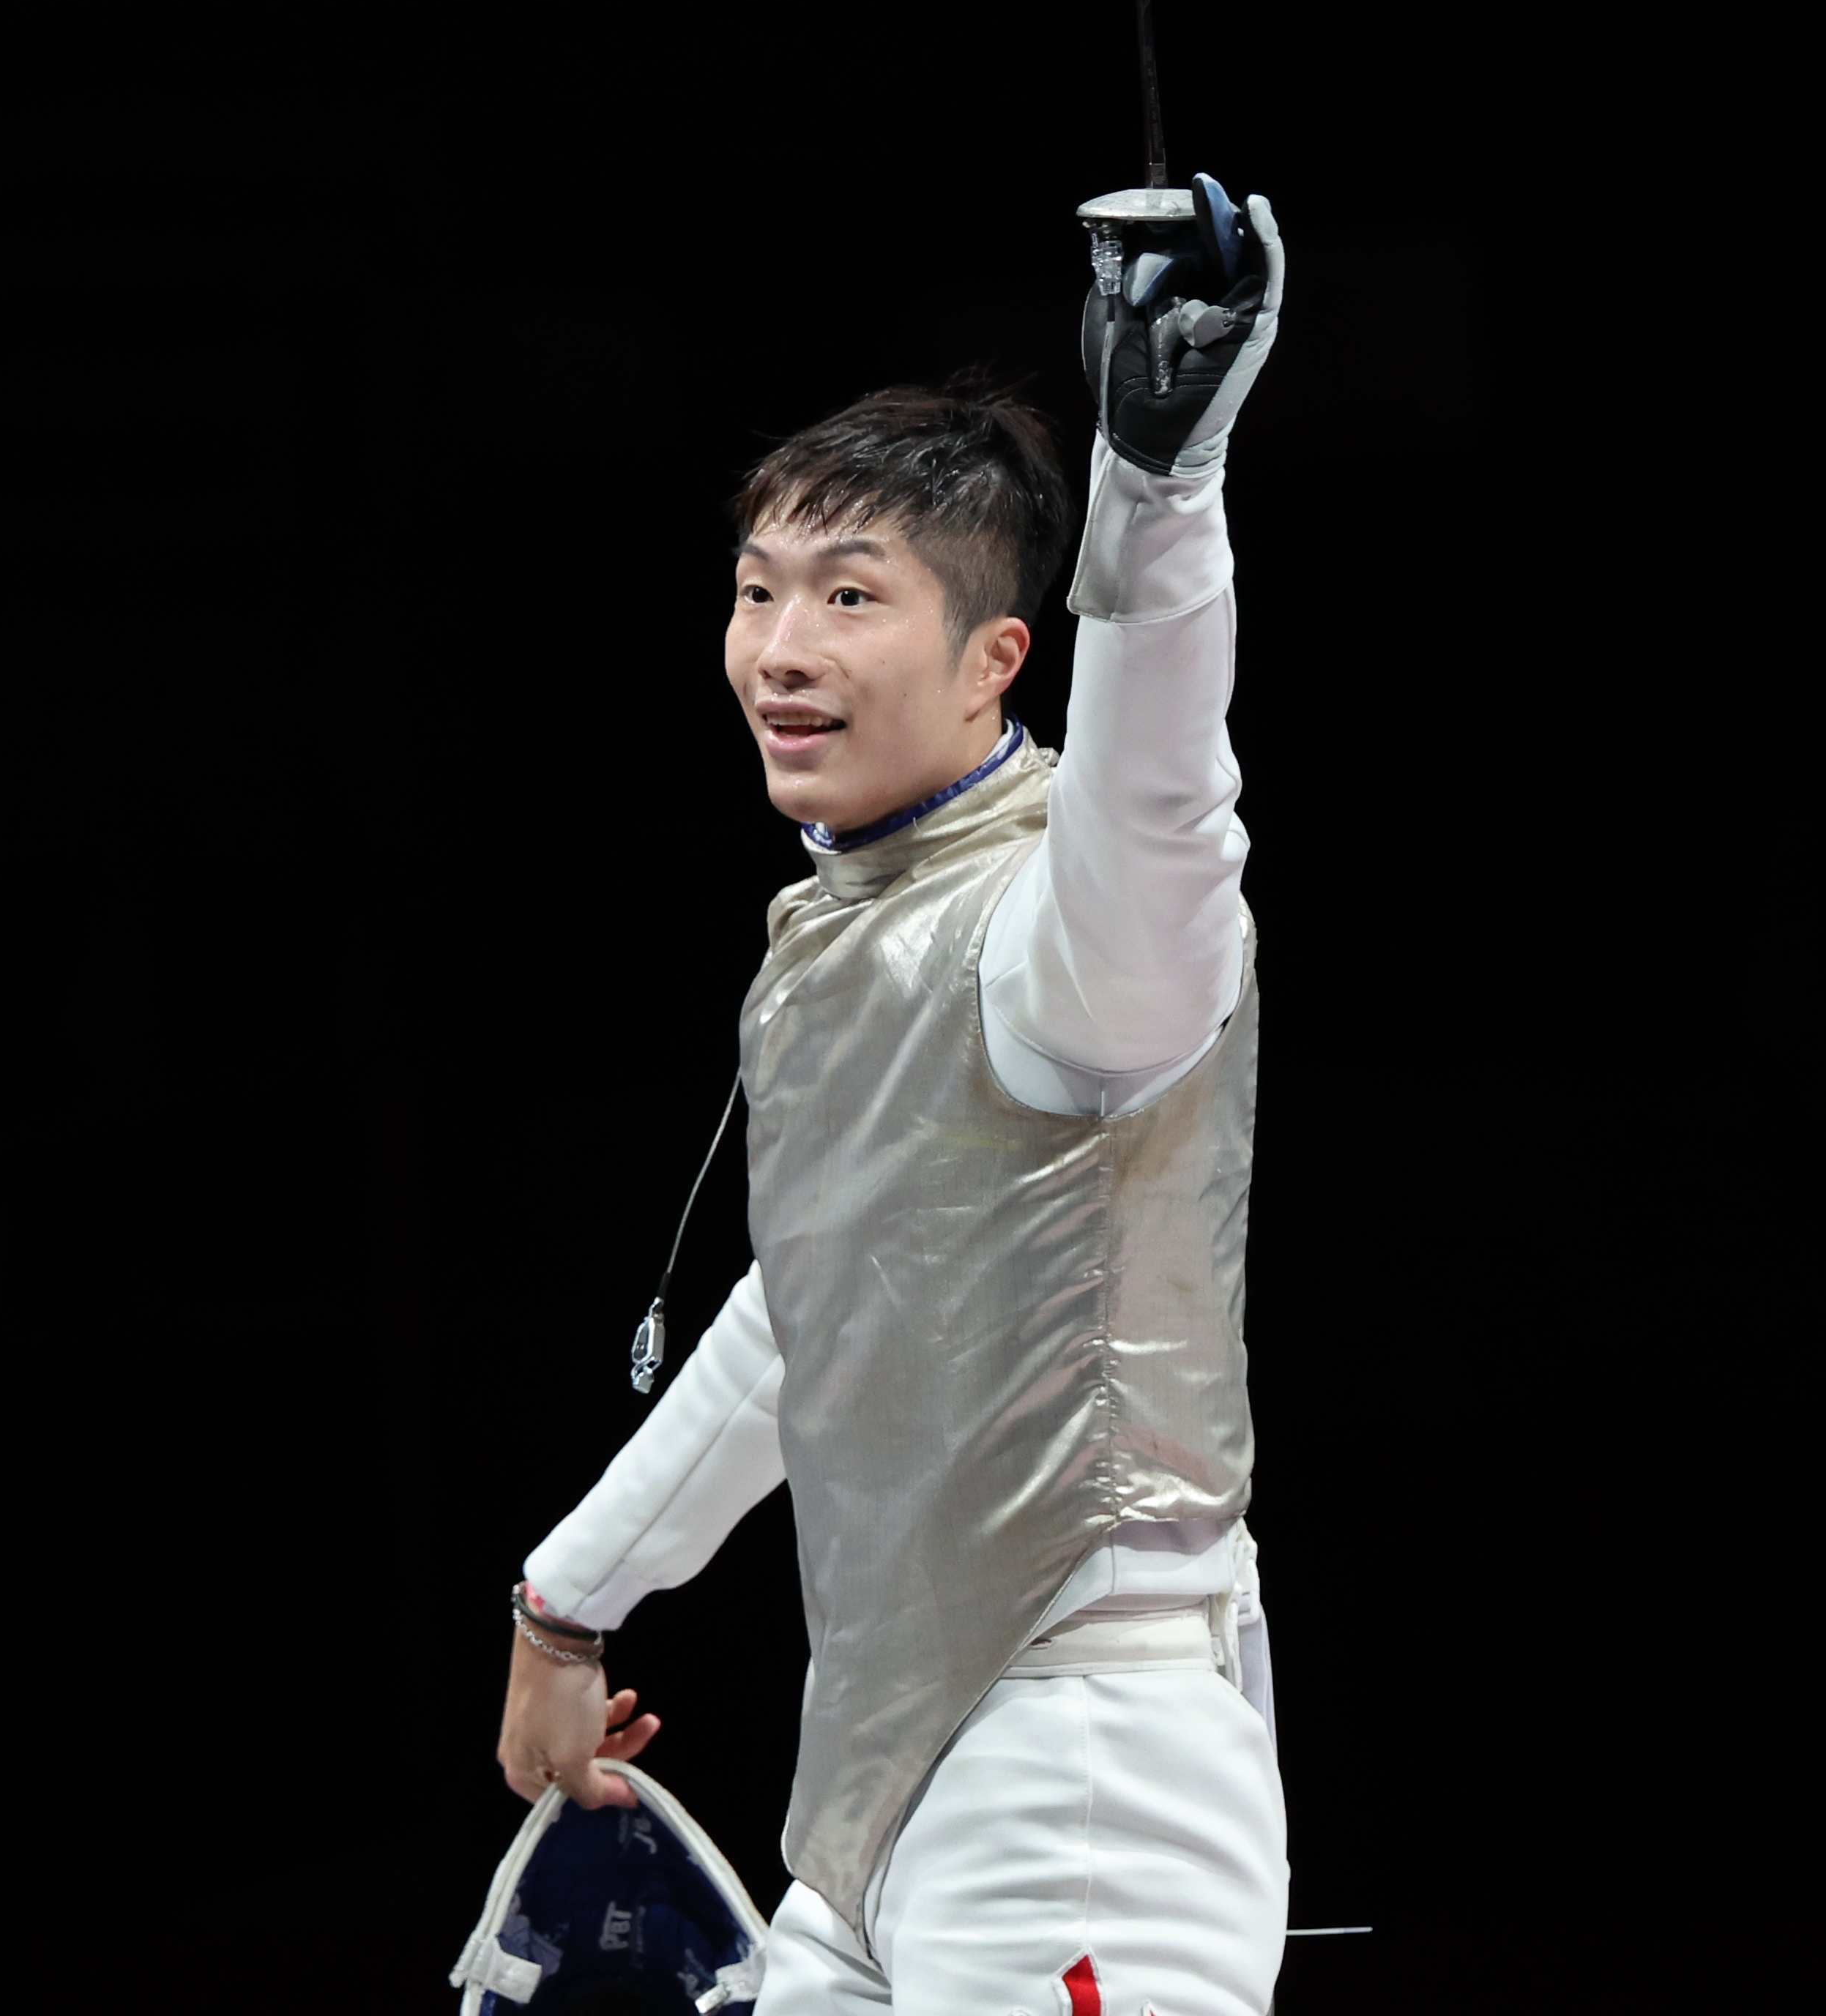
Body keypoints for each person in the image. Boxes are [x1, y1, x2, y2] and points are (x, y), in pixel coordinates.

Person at [492, 182, 1290, 2016]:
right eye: (759, 590)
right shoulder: (851, 926)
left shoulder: (1072, 938)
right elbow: (817, 1314)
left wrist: (1159, 481)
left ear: (995, 655)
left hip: (1081, 1786)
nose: (782, 647)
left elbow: (1166, 794)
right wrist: (565, 1599)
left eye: (850, 597)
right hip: (875, 1800)